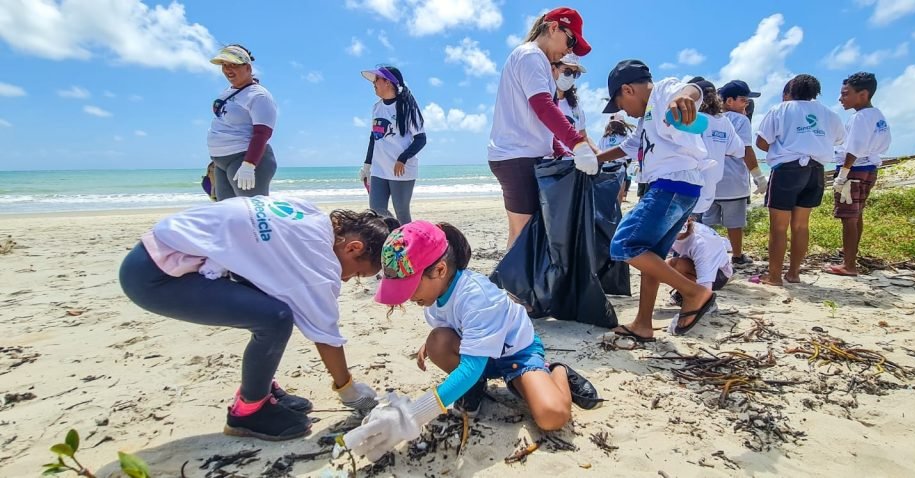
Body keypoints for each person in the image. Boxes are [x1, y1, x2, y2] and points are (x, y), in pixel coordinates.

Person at [119, 197, 398, 440]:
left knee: (275, 298)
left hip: (153, 250)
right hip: (156, 277)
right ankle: (249, 410)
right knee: (274, 319)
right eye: (357, 273)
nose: (347, 279)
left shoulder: (312, 215)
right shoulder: (320, 263)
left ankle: (261, 387)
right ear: (353, 248)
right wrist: (348, 390)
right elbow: (325, 334)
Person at [340, 221, 600, 461]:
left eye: (410, 288)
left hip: (515, 355)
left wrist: (413, 415)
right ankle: (474, 388)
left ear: (439, 270)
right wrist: (431, 345)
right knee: (436, 342)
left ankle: (558, 371)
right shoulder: (433, 298)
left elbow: (470, 365)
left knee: (551, 417)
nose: (408, 297)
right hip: (479, 352)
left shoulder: (477, 298)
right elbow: (449, 327)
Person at [587, 59, 717, 340]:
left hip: (671, 184)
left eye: (621, 104)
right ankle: (643, 324)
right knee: (652, 255)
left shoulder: (662, 92)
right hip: (682, 187)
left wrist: (686, 96)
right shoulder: (646, 119)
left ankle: (695, 293)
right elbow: (631, 146)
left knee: (624, 244)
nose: (624, 111)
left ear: (628, 90)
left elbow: (692, 89)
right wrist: (595, 159)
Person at [487, 7, 595, 249]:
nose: (570, 50)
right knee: (523, 233)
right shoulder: (531, 56)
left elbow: (539, 124)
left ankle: (517, 286)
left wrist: (562, 150)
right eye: (571, 40)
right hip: (517, 157)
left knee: (526, 231)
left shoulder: (538, 61)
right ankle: (513, 287)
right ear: (554, 27)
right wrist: (577, 143)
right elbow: (543, 107)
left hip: (521, 155)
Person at [754, 74, 845, 286]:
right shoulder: (829, 113)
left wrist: (780, 149)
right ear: (816, 93)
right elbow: (838, 139)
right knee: (801, 226)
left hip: (787, 170)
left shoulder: (781, 109)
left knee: (778, 227)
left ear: (790, 90)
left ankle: (774, 276)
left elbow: (761, 141)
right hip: (816, 170)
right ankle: (794, 273)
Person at [826, 72, 891, 277]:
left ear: (863, 94)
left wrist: (842, 174)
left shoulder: (859, 118)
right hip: (870, 167)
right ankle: (850, 254)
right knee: (857, 213)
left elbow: (853, 149)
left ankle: (849, 264)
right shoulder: (877, 115)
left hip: (855, 170)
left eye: (846, 94)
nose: (841, 99)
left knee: (849, 217)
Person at [703, 80, 769, 265]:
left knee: (707, 223)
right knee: (735, 224)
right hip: (734, 183)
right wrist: (759, 177)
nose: (746, 103)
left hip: (710, 182)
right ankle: (738, 256)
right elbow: (747, 150)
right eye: (743, 100)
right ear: (729, 101)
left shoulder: (708, 118)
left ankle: (707, 255)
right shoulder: (741, 120)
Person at [357, 66, 426, 225]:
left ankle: (408, 244)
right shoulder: (377, 107)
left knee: (401, 212)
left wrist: (402, 158)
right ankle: (393, 239)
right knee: (377, 211)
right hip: (379, 169)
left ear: (388, 82)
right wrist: (367, 166)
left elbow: (421, 139)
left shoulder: (407, 107)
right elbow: (374, 138)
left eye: (377, 80)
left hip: (400, 170)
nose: (373, 84)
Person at [207, 44, 278, 200]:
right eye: (224, 65)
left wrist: (249, 165)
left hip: (244, 160)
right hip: (221, 163)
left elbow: (262, 133)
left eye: (234, 65)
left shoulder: (259, 96)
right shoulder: (230, 91)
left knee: (253, 215)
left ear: (248, 68)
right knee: (229, 215)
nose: (228, 69)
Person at [687, 79, 745, 223]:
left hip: (688, 187)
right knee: (700, 235)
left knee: (684, 237)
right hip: (710, 189)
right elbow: (739, 150)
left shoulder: (693, 119)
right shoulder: (723, 121)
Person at [666, 216, 734, 306]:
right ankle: (685, 293)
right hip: (697, 263)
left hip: (717, 275)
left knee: (676, 265)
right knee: (653, 269)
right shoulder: (680, 231)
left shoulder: (700, 243)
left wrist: (701, 304)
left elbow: (705, 282)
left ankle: (706, 303)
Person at [554, 53, 600, 154]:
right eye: (567, 71)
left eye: (575, 74)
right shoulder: (543, 101)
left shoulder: (575, 106)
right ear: (554, 68)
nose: (571, 77)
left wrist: (598, 152)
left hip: (571, 163)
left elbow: (583, 136)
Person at [599, 113, 636, 202]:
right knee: (619, 194)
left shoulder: (604, 138)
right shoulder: (626, 137)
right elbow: (629, 155)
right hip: (620, 167)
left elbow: (599, 152)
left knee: (607, 193)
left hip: (606, 168)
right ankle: (616, 213)